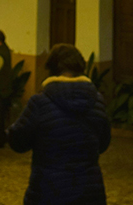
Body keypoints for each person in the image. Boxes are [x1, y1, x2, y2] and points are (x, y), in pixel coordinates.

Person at [8, 44, 111, 205]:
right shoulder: (97, 101)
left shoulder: (39, 103)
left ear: (51, 70)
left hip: (49, 191)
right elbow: (103, 144)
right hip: (89, 192)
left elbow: (18, 142)